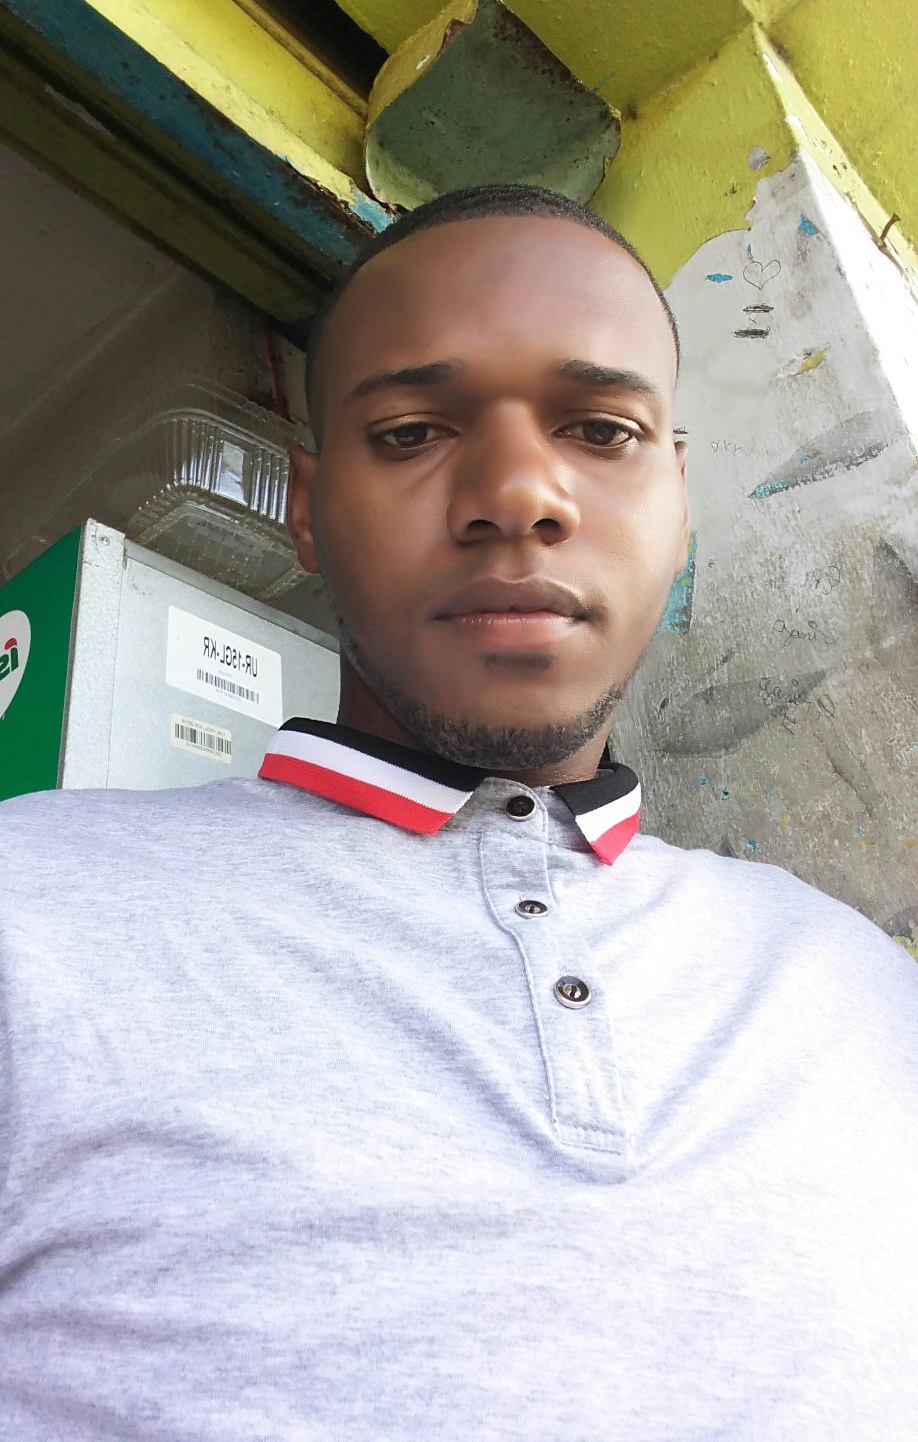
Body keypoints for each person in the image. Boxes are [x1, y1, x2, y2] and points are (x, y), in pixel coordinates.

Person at [0, 183, 915, 1441]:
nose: (520, 494)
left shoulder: (865, 992)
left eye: (602, 430)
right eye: (413, 432)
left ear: (680, 500)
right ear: (309, 510)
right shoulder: (31, 908)